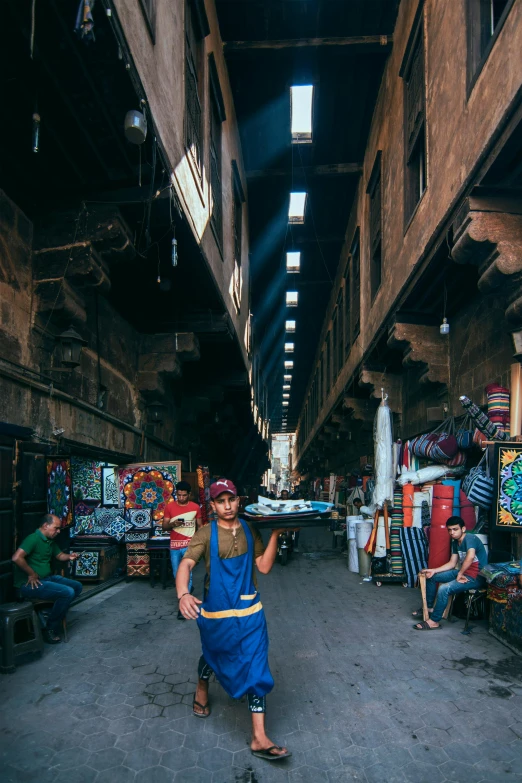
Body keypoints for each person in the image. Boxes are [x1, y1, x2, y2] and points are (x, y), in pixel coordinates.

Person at [176, 478, 292, 762]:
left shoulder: (251, 531)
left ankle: (259, 737)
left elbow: (263, 567)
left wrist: (276, 532)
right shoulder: (205, 533)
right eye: (221, 501)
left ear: (239, 500)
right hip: (217, 614)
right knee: (214, 656)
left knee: (256, 667)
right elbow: (186, 564)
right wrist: (183, 595)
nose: (227, 506)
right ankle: (202, 686)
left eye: (232, 500)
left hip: (250, 612)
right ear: (213, 505)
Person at [12, 514, 82, 644]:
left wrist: (70, 556)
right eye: (56, 528)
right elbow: (16, 558)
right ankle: (49, 628)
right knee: (68, 592)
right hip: (28, 584)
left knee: (77, 586)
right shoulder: (32, 539)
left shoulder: (49, 540)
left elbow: (60, 555)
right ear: (45, 526)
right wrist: (31, 574)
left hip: (47, 579)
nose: (58, 531)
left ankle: (47, 614)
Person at [413, 516, 487, 630]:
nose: (452, 532)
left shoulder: (470, 538)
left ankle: (434, 621)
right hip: (464, 573)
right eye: (449, 530)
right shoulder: (455, 542)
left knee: (444, 589)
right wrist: (434, 570)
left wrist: (460, 573)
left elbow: (470, 557)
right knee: (432, 577)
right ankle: (428, 608)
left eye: (455, 529)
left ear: (463, 529)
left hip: (476, 577)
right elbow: (452, 563)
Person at [162, 480, 202, 620]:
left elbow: (200, 527)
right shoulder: (169, 507)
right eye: (179, 495)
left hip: (189, 545)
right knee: (176, 573)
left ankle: (183, 606)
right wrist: (173, 524)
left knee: (187, 572)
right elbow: (164, 527)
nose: (181, 498)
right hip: (174, 545)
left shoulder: (196, 507)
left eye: (184, 495)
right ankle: (187, 591)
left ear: (189, 495)